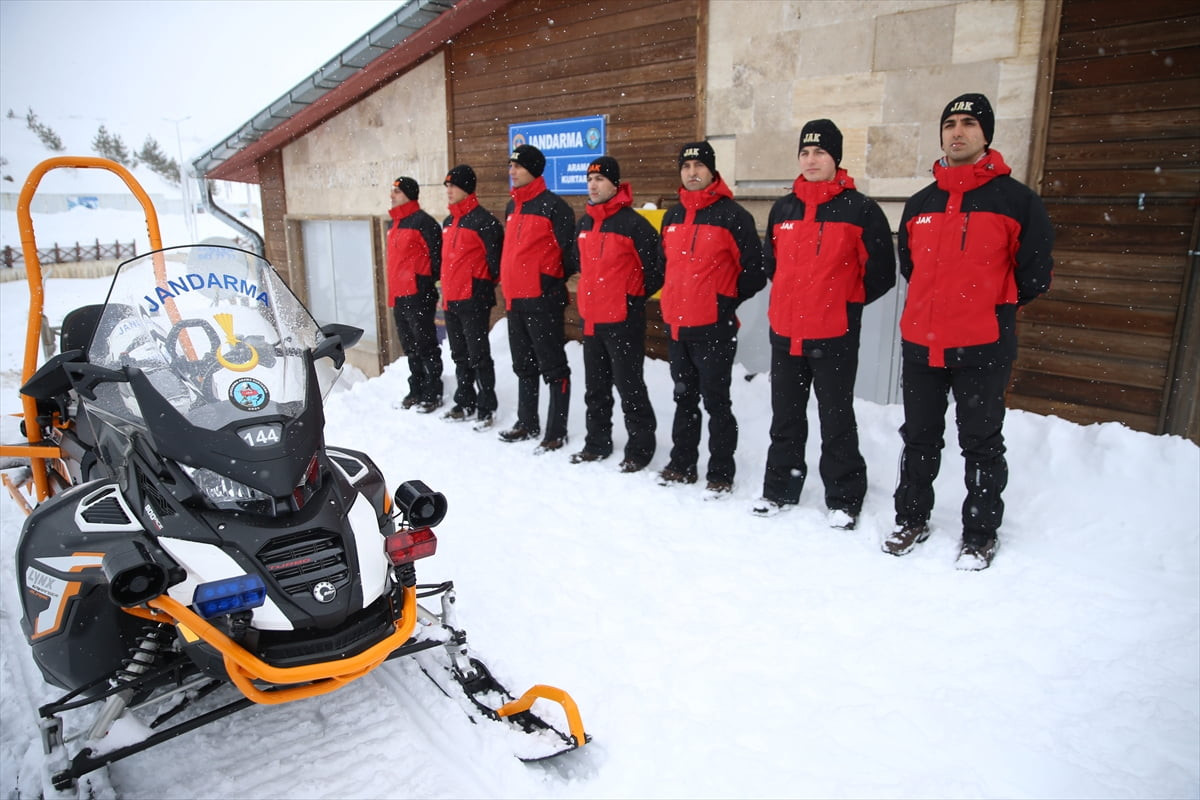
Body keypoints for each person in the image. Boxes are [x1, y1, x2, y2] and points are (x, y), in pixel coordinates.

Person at [885, 93, 1053, 570]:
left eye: (969, 123)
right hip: (921, 343)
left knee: (980, 442)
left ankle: (979, 533)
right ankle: (911, 518)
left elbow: (1034, 275)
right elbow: (910, 267)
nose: (957, 132)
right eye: (950, 124)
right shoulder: (920, 203)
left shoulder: (1018, 201)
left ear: (986, 135)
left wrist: (985, 307)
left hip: (982, 345)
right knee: (919, 436)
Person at [755, 120, 896, 529]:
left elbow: (881, 273)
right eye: (805, 152)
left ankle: (845, 497)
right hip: (785, 332)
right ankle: (780, 488)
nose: (811, 159)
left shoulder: (860, 209)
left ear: (835, 158)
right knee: (785, 415)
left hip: (834, 334)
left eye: (820, 152)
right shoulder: (784, 209)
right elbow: (771, 264)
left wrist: (842, 303)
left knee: (836, 418)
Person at [657, 141, 765, 495]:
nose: (692, 173)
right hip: (677, 327)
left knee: (716, 402)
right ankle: (682, 463)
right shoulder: (672, 217)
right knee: (683, 398)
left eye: (698, 166)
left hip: (714, 329)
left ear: (712, 170)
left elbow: (755, 271)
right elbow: (666, 268)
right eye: (685, 167)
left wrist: (723, 301)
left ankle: (720, 472)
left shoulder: (733, 216)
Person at [571, 156, 663, 472]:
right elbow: (580, 264)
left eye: (599, 180)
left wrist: (631, 295)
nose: (593, 185)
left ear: (614, 184)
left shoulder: (634, 224)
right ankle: (597, 442)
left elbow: (657, 269)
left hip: (623, 319)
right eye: (589, 180)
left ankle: (640, 448)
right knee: (595, 388)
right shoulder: (584, 223)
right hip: (592, 318)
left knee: (629, 386)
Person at [497, 144, 578, 452]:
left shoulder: (555, 207)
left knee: (554, 367)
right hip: (515, 301)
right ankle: (526, 422)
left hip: (543, 301)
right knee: (524, 366)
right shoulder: (511, 206)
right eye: (510, 166)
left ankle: (556, 431)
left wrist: (547, 279)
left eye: (516, 166)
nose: (511, 171)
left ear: (532, 169)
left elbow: (569, 254)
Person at [440, 164, 503, 430]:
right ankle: (465, 401)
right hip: (451, 299)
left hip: (473, 300)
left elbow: (497, 264)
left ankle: (486, 407)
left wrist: (477, 286)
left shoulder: (485, 222)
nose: (449, 191)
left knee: (479, 355)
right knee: (459, 354)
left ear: (466, 188)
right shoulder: (447, 222)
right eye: (447, 186)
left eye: (453, 186)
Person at [386, 176, 444, 413]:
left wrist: (421, 281)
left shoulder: (424, 222)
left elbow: (437, 258)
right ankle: (416, 387)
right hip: (399, 295)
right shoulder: (395, 225)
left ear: (409, 194)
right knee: (410, 345)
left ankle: (433, 390)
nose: (392, 196)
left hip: (418, 294)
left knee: (425, 343)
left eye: (396, 192)